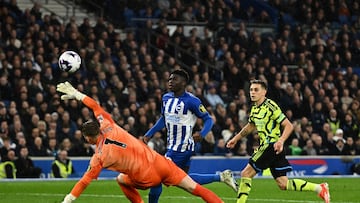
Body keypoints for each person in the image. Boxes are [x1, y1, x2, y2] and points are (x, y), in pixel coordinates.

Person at [56, 81, 224, 203]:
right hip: (161, 163)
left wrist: (68, 200)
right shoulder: (107, 123)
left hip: (146, 177)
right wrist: (78, 94)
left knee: (121, 179)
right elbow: (95, 106)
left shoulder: (99, 156)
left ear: (88, 138)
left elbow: (85, 181)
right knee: (195, 189)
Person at [226, 79, 330, 203]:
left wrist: (281, 141)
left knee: (246, 174)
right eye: (251, 90)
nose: (252, 92)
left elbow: (289, 125)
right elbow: (250, 126)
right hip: (274, 148)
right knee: (283, 184)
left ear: (264, 92)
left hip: (270, 145)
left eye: (256, 90)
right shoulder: (254, 108)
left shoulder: (271, 106)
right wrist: (235, 139)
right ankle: (319, 188)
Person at [143, 69, 238, 203]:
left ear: (183, 83)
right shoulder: (166, 98)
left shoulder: (192, 101)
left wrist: (202, 134)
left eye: (174, 79)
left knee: (157, 176)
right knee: (185, 180)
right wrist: (148, 135)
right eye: (170, 79)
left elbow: (208, 119)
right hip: (173, 145)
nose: (170, 82)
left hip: (182, 147)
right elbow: (164, 119)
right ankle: (222, 177)